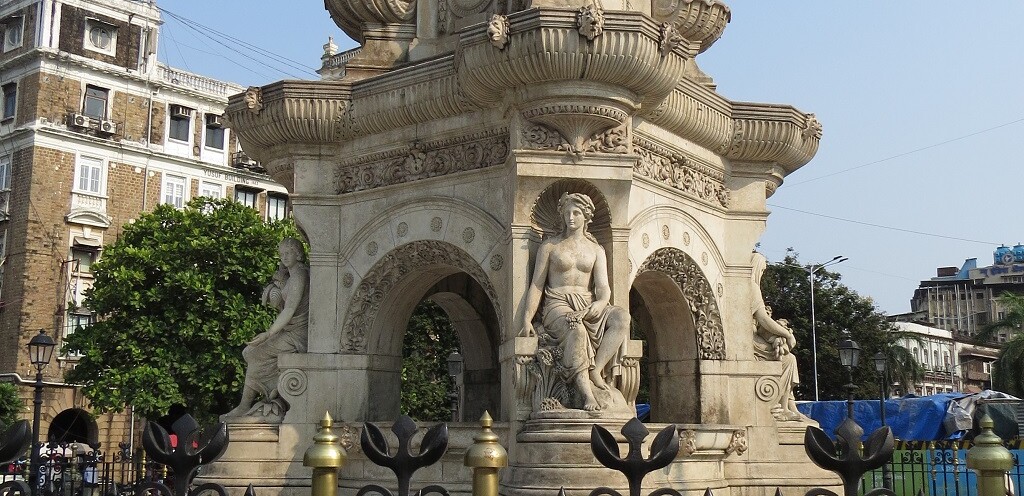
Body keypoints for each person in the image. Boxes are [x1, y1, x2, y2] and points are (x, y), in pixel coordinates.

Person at [520, 193, 629, 411]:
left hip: (588, 304)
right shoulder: (550, 246)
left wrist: (600, 303)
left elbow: (603, 287)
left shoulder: (596, 250)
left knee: (622, 318)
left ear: (586, 216)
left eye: (576, 213)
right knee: (577, 331)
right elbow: (537, 285)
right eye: (567, 213)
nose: (570, 217)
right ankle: (587, 394)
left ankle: (596, 370)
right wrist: (527, 319)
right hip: (558, 304)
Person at [224, 238, 309, 418]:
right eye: (282, 254)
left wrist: (268, 333)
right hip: (290, 331)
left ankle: (244, 405)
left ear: (298, 254)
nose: (284, 257)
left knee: (255, 354)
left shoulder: (299, 276)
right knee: (248, 352)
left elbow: (290, 310)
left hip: (297, 335)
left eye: (289, 253)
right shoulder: (292, 275)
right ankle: (273, 388)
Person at [750, 252, 803, 421]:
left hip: (751, 337)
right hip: (749, 341)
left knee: (788, 357)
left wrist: (778, 335)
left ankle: (788, 405)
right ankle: (780, 406)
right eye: (762, 270)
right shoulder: (751, 286)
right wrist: (786, 334)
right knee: (788, 360)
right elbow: (763, 320)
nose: (762, 274)